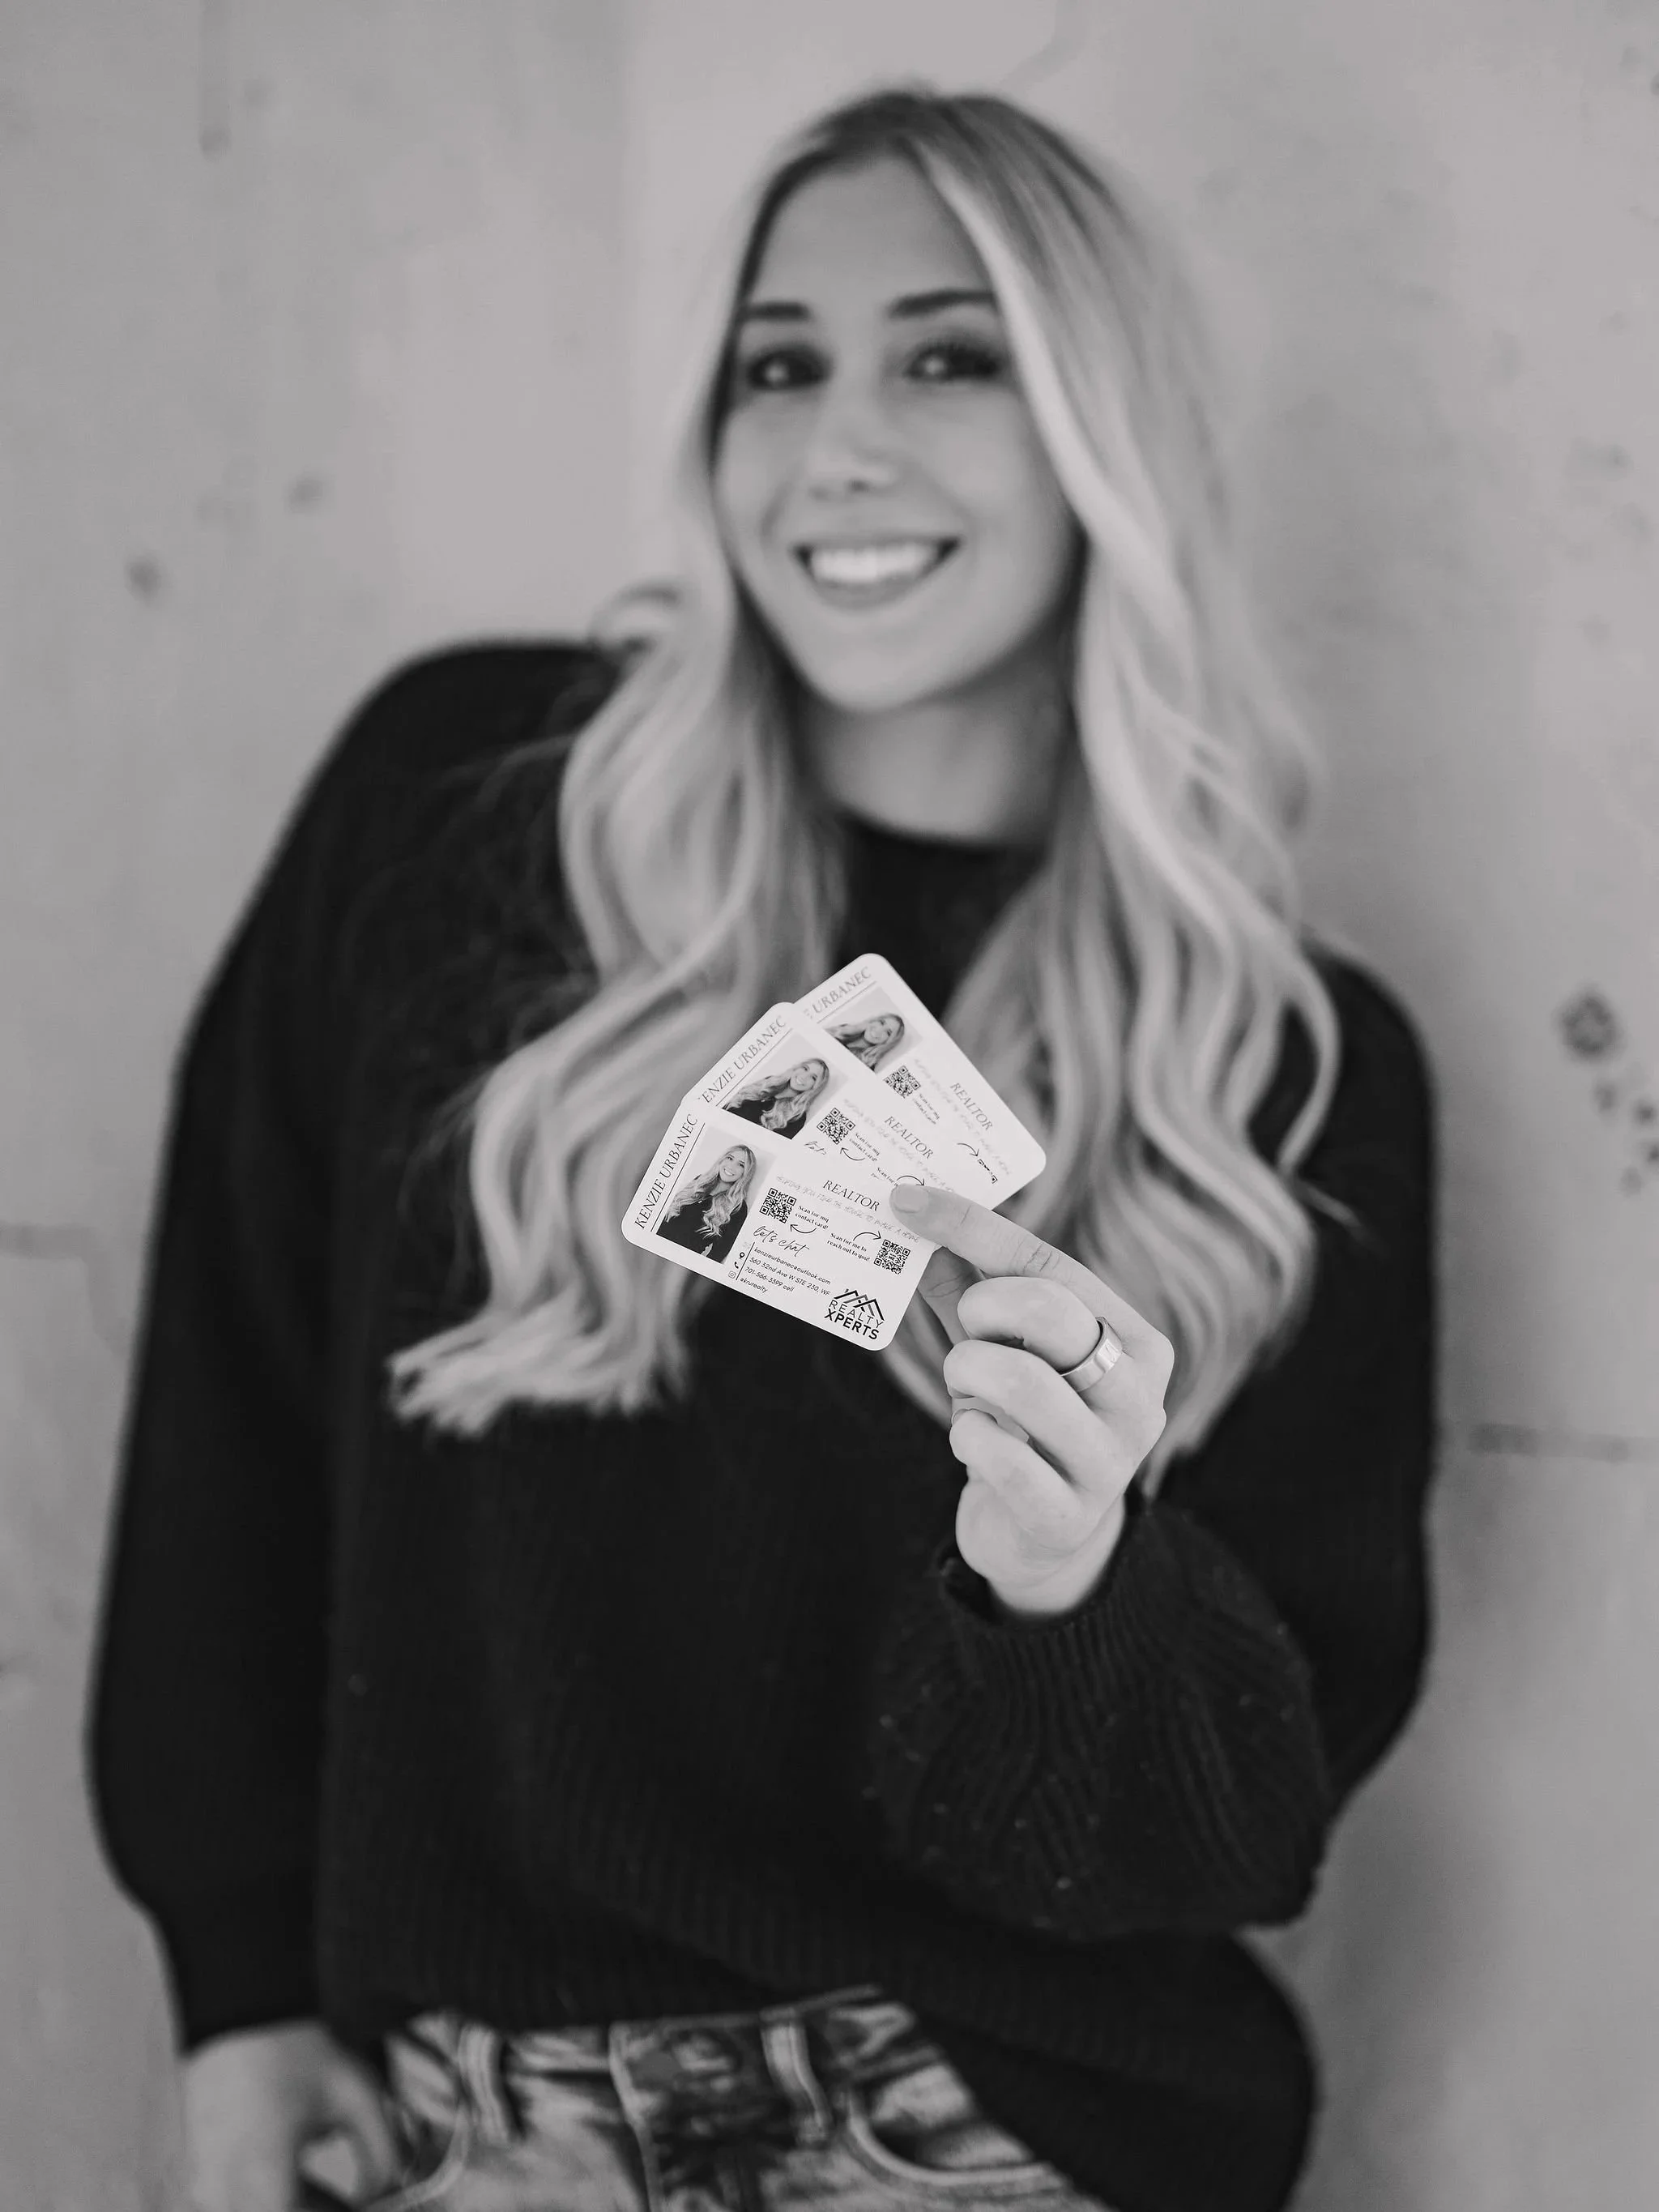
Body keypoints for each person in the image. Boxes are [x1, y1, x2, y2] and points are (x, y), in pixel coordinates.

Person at [86, 83, 1436, 2212]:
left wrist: (1069, 1577)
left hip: (998, 2134)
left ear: (1109, 433)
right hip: (479, 2129)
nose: (842, 445)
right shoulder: (465, 812)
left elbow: (1230, 1833)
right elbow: (227, 1422)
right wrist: (233, 1982)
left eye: (949, 354)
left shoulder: (1280, 1071)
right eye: (778, 361)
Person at [656, 1144, 759, 1261]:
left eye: (741, 1165)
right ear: (722, 1159)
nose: (731, 1166)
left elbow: (719, 1253)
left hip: (677, 1263)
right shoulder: (699, 1181)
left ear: (745, 1173)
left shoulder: (738, 1207)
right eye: (730, 1158)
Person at [726, 1057, 830, 1135]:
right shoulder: (769, 1082)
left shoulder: (797, 1117)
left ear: (815, 1087)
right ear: (797, 1068)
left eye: (813, 1077)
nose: (804, 1076)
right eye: (805, 1069)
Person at [826, 1010, 906, 1072]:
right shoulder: (845, 1029)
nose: (878, 1030)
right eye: (881, 1023)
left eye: (888, 1032)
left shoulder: (867, 1065)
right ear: (874, 1020)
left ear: (888, 1042)